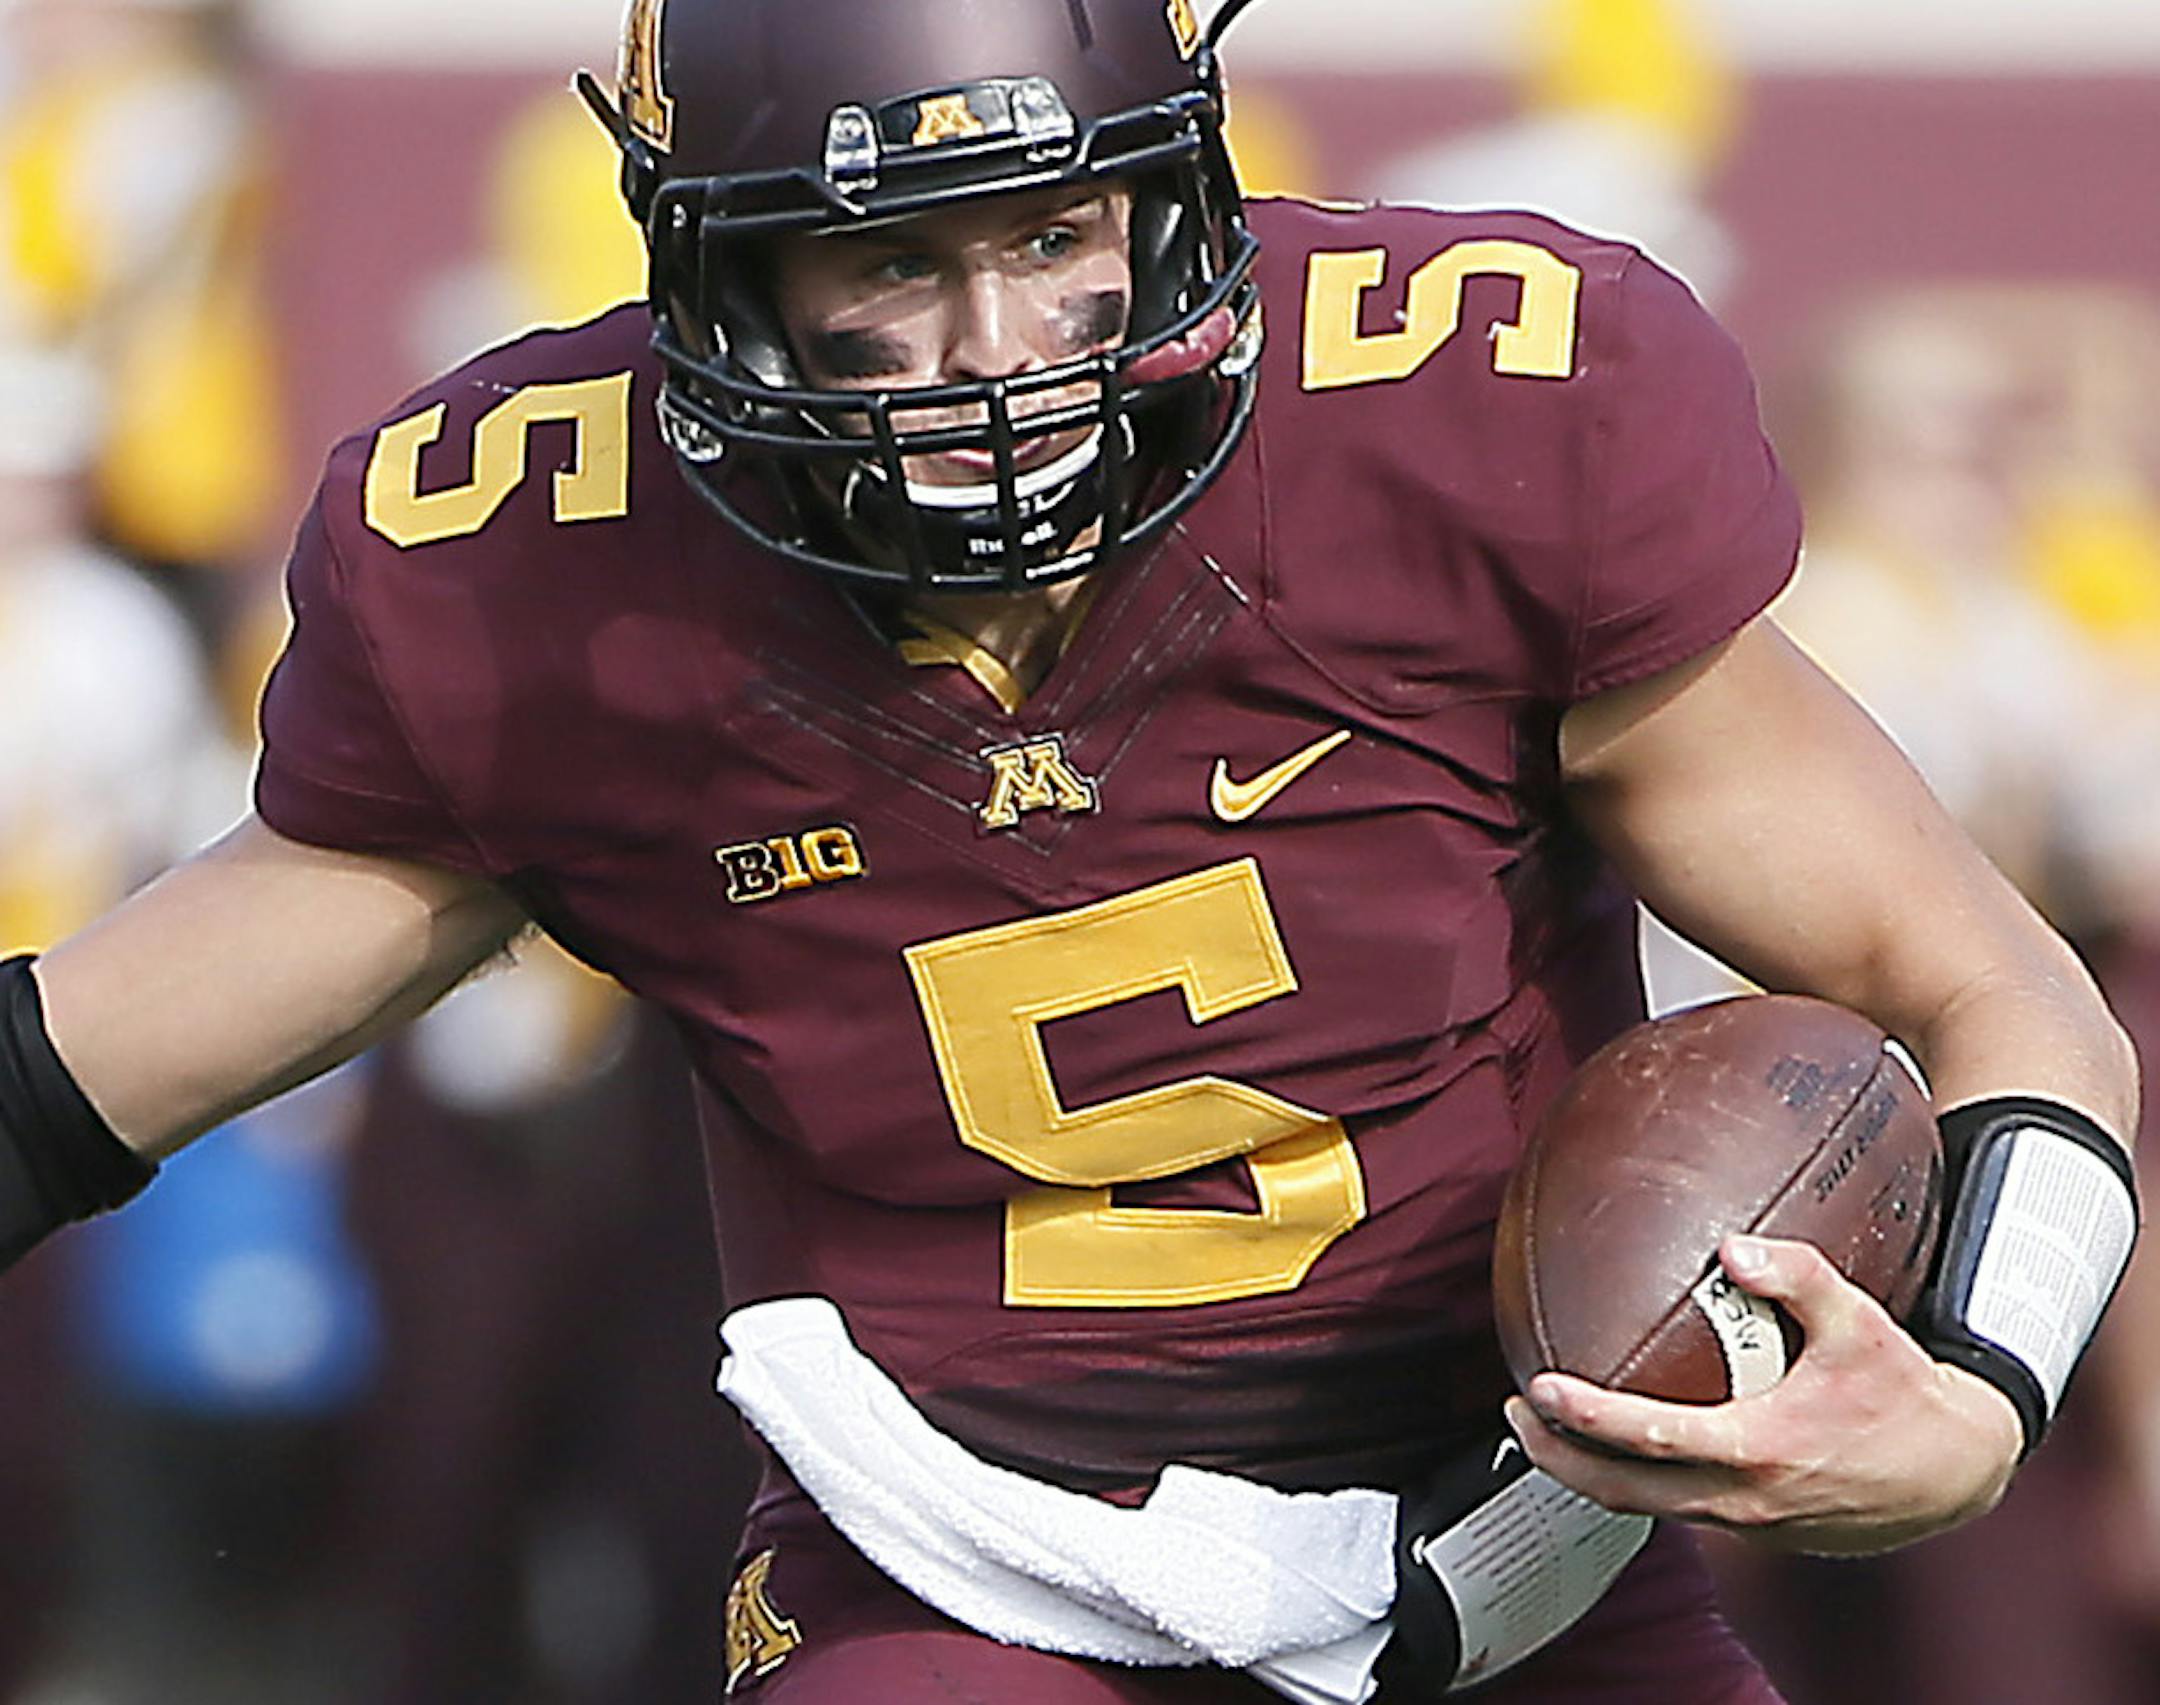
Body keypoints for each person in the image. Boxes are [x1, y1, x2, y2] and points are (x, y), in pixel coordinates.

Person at [6, 2, 2141, 1701]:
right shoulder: (543, 571)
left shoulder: (1474, 425)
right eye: (891, 262)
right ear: (722, 267)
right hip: (965, 1566)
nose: (997, 353)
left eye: (1050, 233)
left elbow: (1980, 980)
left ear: (1178, 194)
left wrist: (1970, 1385)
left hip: (1519, 1556)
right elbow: (89, 1062)